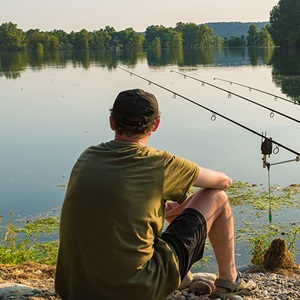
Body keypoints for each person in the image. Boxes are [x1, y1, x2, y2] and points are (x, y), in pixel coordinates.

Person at [55, 88, 257, 300]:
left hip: (74, 290)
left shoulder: (87, 157)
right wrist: (181, 209)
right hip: (135, 291)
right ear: (156, 125)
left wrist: (174, 209)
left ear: (112, 122)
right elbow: (223, 182)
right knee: (218, 197)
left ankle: (183, 276)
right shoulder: (159, 163)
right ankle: (229, 280)